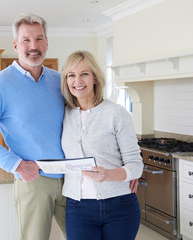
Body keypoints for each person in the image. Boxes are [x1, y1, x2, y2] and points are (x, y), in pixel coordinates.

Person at [0, 13, 66, 240]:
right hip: (35, 180)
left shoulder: (59, 80)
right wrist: (17, 165)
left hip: (71, 178)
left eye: (39, 39)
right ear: (15, 45)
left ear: (47, 43)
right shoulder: (0, 83)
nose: (34, 46)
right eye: (26, 40)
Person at [60, 50, 144, 240]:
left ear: (95, 78)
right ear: (66, 81)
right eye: (71, 75)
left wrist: (109, 175)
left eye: (84, 74)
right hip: (78, 208)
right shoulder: (62, 115)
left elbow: (136, 165)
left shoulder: (116, 113)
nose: (77, 81)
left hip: (120, 205)